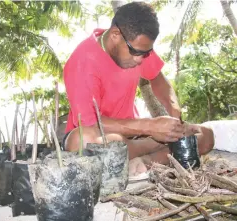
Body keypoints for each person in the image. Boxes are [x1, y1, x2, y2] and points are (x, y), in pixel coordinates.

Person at [62, 2, 214, 177]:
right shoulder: (83, 61)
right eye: (136, 52)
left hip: (135, 135)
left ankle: (147, 161)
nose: (140, 60)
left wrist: (174, 112)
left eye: (146, 53)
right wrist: (150, 128)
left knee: (205, 135)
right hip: (102, 135)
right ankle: (153, 147)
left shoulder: (136, 45)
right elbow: (90, 123)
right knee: (82, 142)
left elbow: (158, 80)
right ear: (115, 35)